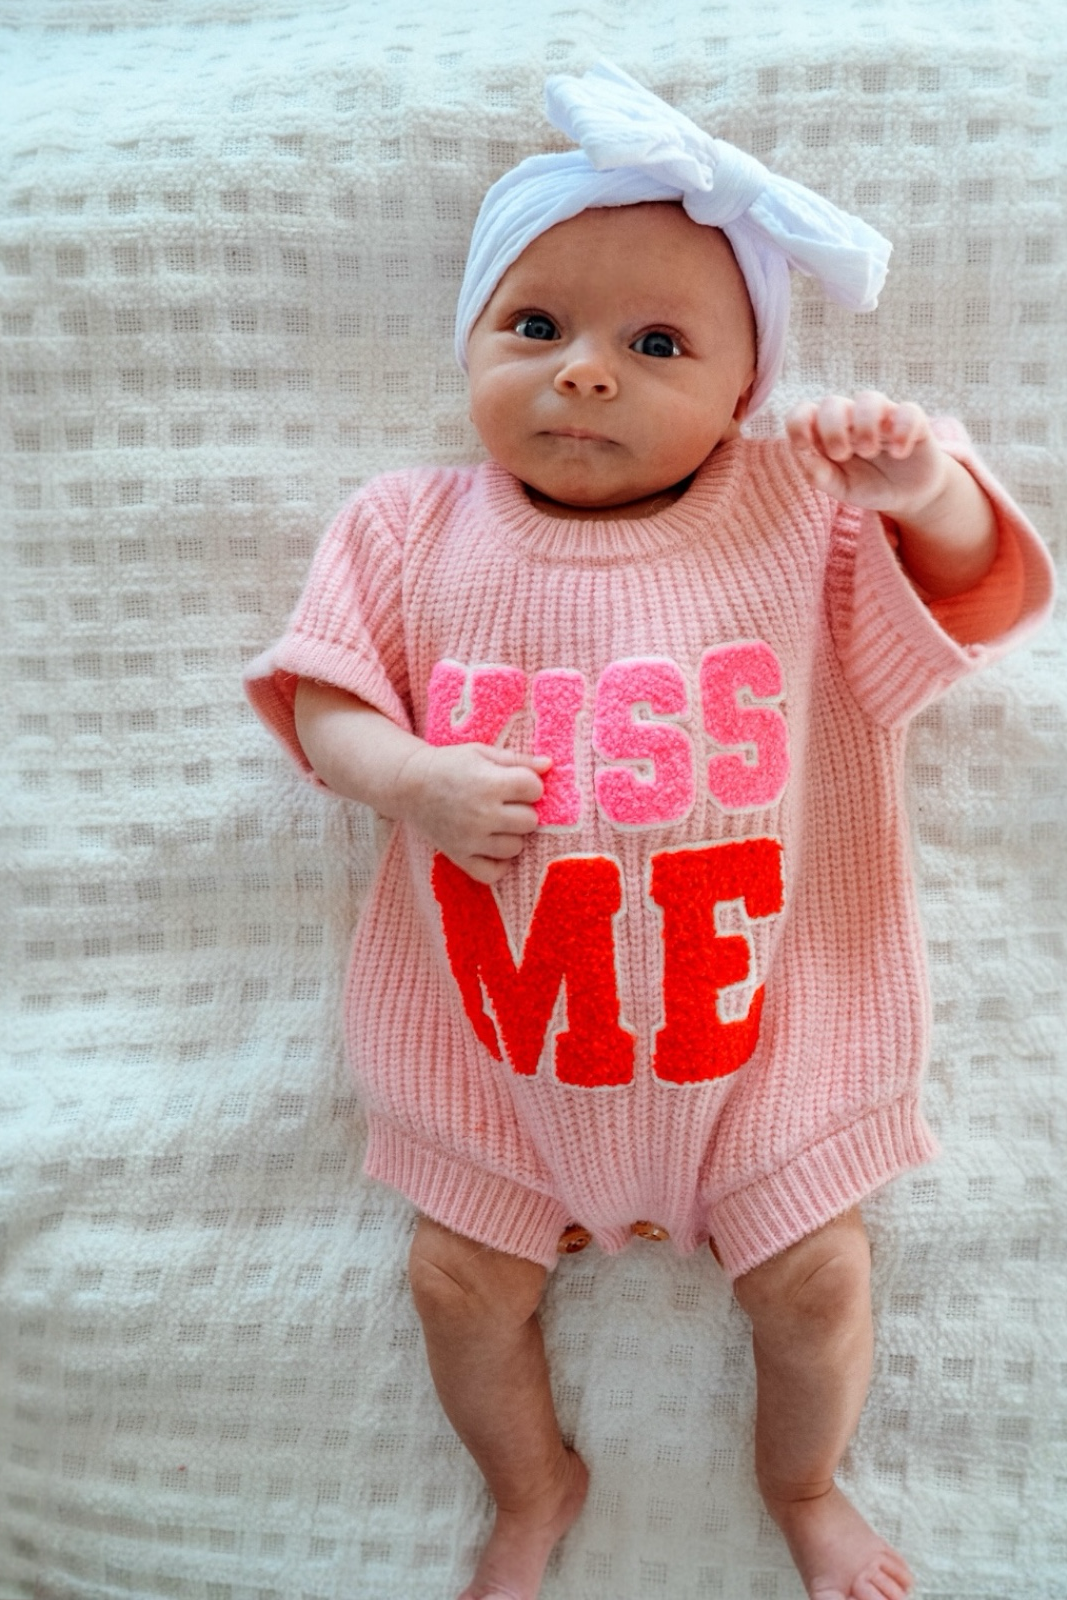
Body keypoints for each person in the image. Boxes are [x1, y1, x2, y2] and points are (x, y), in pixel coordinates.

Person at [245, 63, 1054, 1600]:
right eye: (534, 328)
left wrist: (924, 485)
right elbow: (318, 700)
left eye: (657, 344)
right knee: (451, 1284)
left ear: (745, 395)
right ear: (471, 344)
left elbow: (967, 599)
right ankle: (530, 1483)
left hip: (761, 1036)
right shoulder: (410, 528)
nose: (586, 374)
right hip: (500, 1035)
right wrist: (407, 777)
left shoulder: (790, 519)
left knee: (816, 1283)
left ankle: (801, 1488)